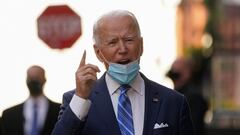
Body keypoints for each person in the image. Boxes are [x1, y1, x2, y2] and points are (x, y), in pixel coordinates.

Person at [52, 10, 194, 135]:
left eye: (129, 40)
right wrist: (81, 97)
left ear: (141, 45)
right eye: (113, 42)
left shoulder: (173, 102)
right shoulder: (77, 101)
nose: (123, 49)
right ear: (98, 53)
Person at [1, 65, 61, 135]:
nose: (34, 81)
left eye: (37, 78)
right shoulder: (9, 115)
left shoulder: (60, 112)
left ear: (44, 80)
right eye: (31, 78)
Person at [166, 57, 208, 135]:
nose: (174, 79)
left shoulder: (194, 97)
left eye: (176, 75)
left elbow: (193, 127)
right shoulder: (174, 94)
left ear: (187, 73)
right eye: (172, 75)